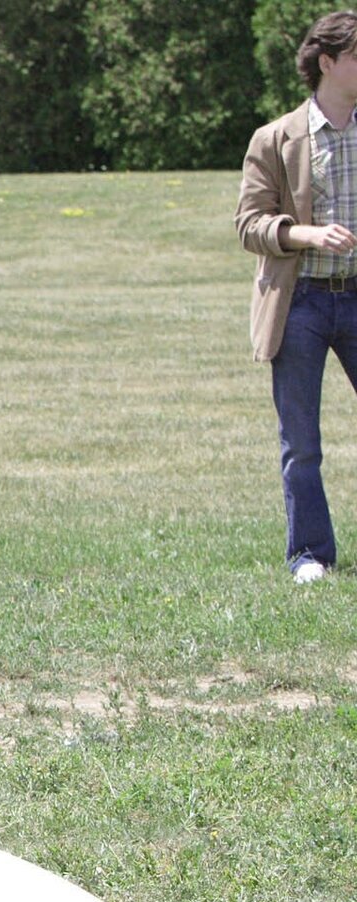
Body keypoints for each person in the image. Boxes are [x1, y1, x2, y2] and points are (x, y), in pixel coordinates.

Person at [238, 10, 357, 584]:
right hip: (301, 302)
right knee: (301, 442)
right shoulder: (276, 138)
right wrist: (304, 233)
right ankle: (310, 556)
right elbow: (248, 225)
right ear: (328, 63)